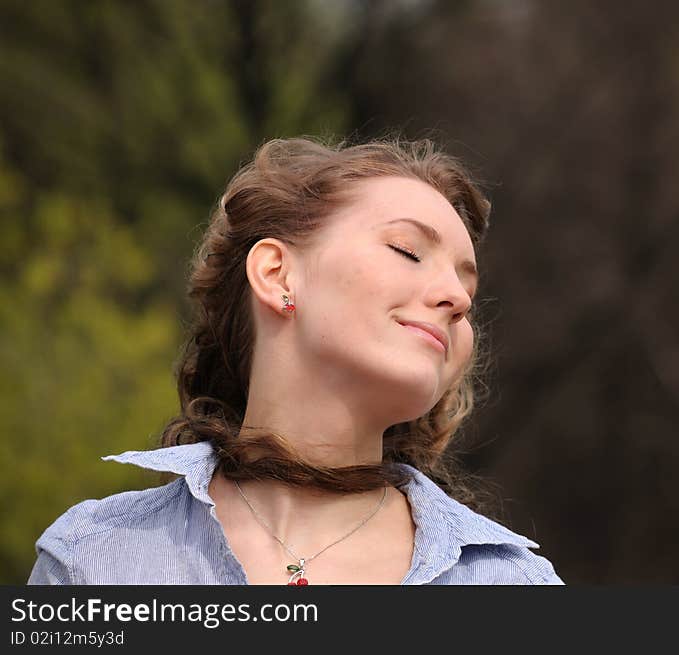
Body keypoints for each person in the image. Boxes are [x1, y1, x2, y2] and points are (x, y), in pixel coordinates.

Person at [27, 136, 564, 585]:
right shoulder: (93, 561)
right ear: (278, 275)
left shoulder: (511, 585)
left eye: (468, 286)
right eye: (407, 250)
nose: (457, 298)